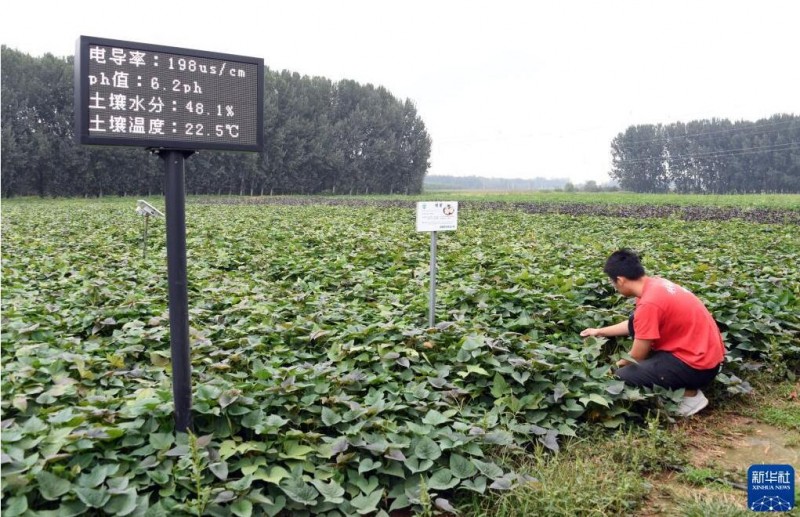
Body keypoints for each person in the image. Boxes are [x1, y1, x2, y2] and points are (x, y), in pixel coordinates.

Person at [580, 249, 725, 417]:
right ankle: (674, 380)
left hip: (698, 367)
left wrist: (609, 372)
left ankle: (689, 395)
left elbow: (637, 355)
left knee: (623, 376)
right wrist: (598, 332)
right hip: (706, 356)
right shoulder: (655, 285)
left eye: (613, 283)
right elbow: (635, 325)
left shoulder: (649, 303)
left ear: (620, 280)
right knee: (638, 330)